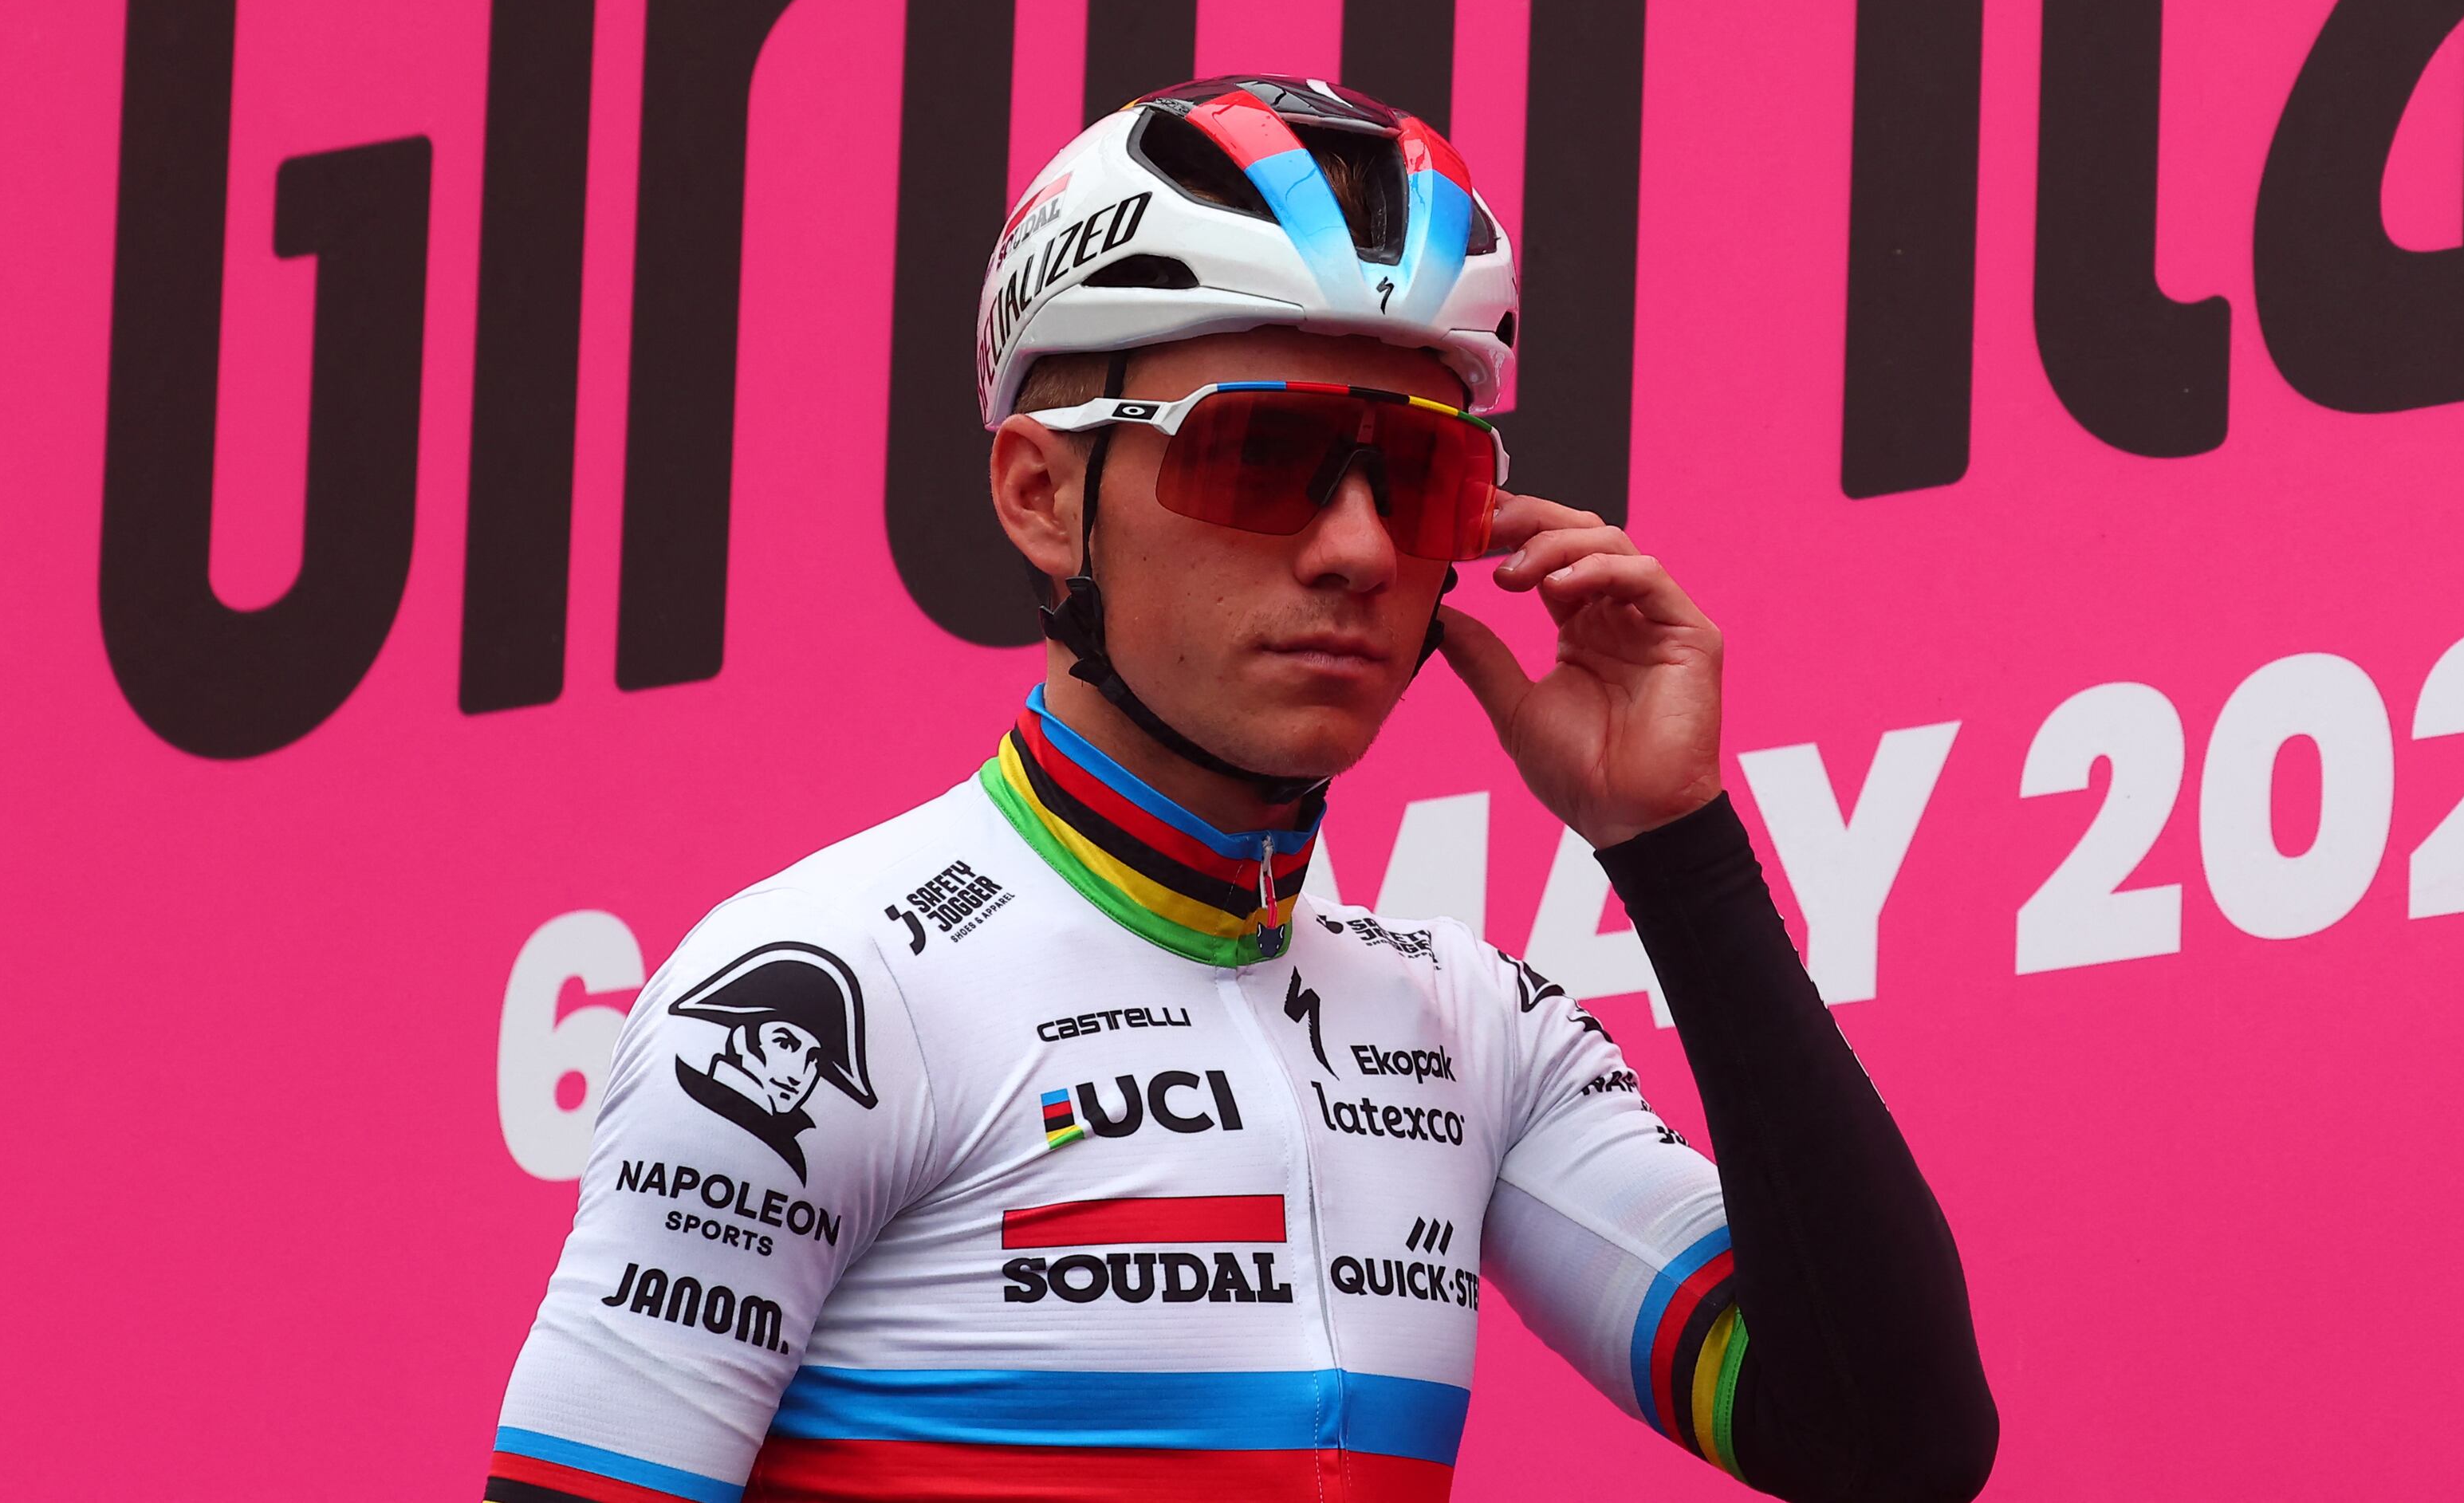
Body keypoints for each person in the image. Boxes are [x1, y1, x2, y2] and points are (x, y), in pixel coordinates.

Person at [485, 76, 2000, 1503]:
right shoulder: (831, 991)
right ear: (1039, 491)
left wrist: (1678, 851)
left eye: (1418, 480)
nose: (1352, 551)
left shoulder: (1475, 1037)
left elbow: (1891, 1443)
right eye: (1261, 458)